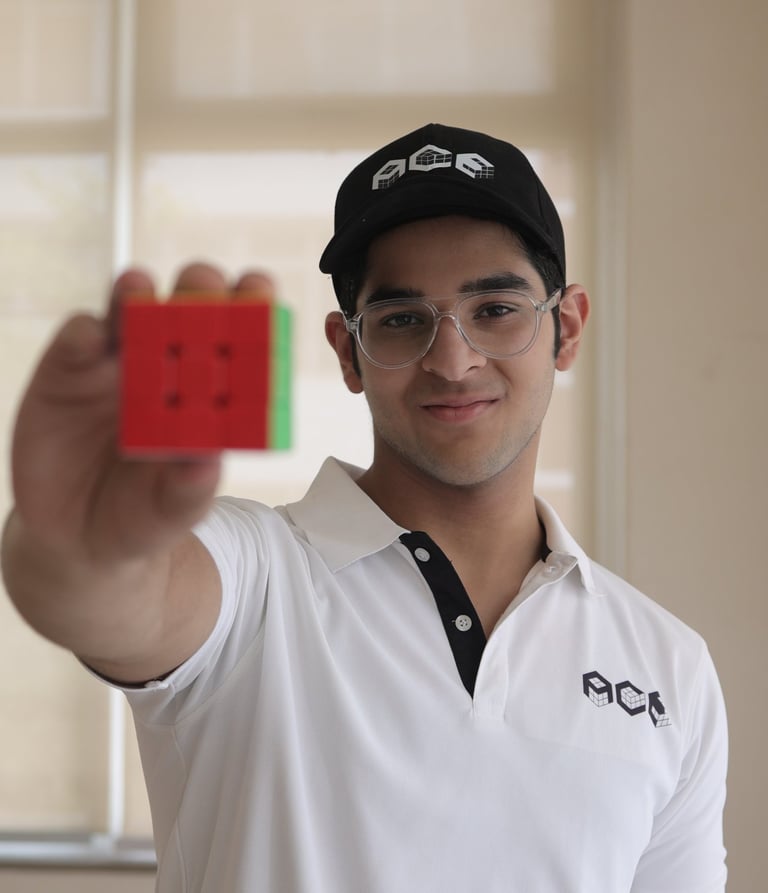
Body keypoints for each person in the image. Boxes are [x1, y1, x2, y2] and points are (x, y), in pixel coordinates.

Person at [1, 123, 727, 892]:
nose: (453, 360)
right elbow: (118, 595)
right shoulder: (255, 577)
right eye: (403, 319)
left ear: (567, 326)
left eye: (496, 309)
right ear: (348, 352)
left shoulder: (667, 666)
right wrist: (78, 546)